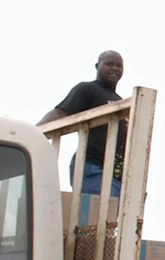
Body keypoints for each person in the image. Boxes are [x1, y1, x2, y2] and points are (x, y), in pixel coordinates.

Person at [39, 50, 127, 196]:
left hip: (116, 175)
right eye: (109, 64)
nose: (115, 68)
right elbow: (61, 112)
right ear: (97, 66)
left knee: (108, 218)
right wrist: (32, 133)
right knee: (92, 217)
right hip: (93, 167)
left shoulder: (121, 101)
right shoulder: (88, 89)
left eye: (119, 65)